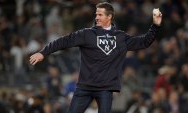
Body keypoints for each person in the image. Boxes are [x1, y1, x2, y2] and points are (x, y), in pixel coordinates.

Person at [29, 2, 162, 113]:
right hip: (84, 87)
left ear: (109, 16)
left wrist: (155, 25)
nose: (96, 17)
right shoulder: (87, 34)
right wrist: (43, 53)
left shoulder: (120, 37)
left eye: (100, 14)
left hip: (105, 88)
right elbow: (64, 41)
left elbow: (144, 42)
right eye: (96, 14)